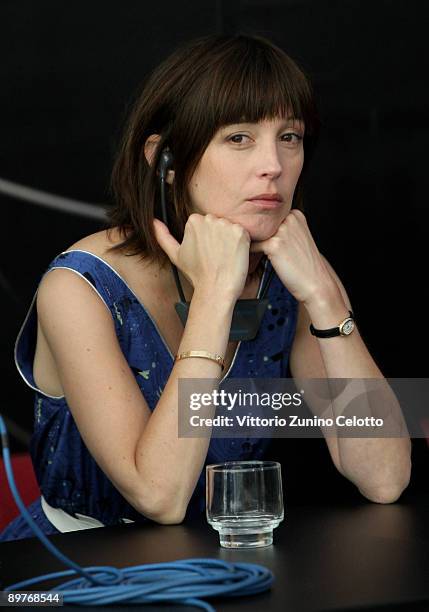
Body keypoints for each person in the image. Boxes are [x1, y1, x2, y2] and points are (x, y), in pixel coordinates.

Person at [0, 34, 411, 542]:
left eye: (290, 137)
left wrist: (326, 298)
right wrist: (216, 295)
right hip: (78, 571)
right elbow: (160, 497)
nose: (274, 166)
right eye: (239, 138)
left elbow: (385, 478)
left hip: (224, 567)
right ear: (165, 161)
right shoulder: (77, 287)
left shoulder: (294, 273)